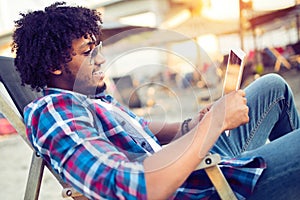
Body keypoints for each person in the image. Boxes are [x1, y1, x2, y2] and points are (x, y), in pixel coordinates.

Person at [11, 2, 300, 200]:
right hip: (202, 186)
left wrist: (194, 123)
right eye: (88, 52)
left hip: (189, 167)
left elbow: (147, 132)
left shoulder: (93, 101)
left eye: (97, 48)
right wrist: (215, 122)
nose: (101, 58)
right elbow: (133, 189)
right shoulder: (53, 111)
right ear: (53, 65)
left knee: (272, 88)